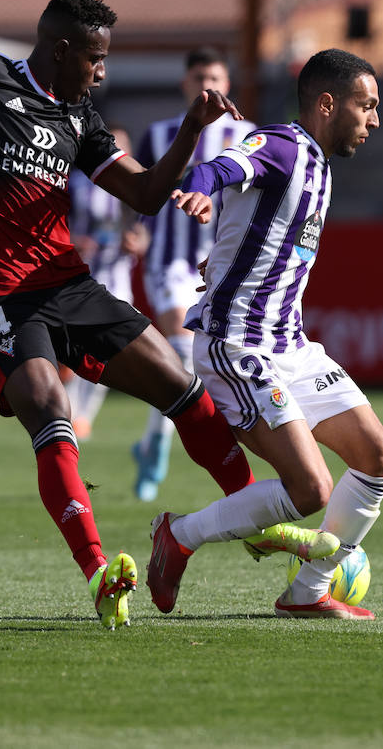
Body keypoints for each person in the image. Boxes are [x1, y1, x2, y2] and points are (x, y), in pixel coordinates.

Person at [0, 0, 265, 630]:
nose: (102, 71)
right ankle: (100, 574)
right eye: (95, 58)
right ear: (62, 50)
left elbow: (148, 194)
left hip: (71, 286)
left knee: (182, 387)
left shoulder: (80, 116)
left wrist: (191, 130)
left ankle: (258, 519)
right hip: (4, 298)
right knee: (51, 409)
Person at [146, 48, 383, 621]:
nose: (375, 120)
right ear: (328, 103)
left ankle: (307, 592)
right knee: (309, 489)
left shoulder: (320, 165)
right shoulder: (283, 145)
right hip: (236, 345)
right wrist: (202, 186)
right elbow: (228, 165)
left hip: (291, 346)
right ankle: (178, 535)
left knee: (379, 457)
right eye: (367, 105)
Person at [130, 48, 257, 501]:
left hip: (220, 267)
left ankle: (150, 443)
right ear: (187, 85)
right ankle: (157, 451)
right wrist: (134, 232)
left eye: (217, 78)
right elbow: (138, 190)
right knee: (182, 351)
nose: (209, 86)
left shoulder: (247, 136)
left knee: (195, 362)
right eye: (201, 77)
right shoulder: (161, 134)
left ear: (229, 85)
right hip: (167, 261)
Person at [63, 124, 150, 440]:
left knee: (110, 352)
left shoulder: (138, 184)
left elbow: (143, 233)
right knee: (73, 350)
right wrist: (73, 241)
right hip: (79, 276)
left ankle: (83, 417)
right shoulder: (75, 182)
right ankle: (69, 412)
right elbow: (57, 225)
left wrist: (136, 243)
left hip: (117, 278)